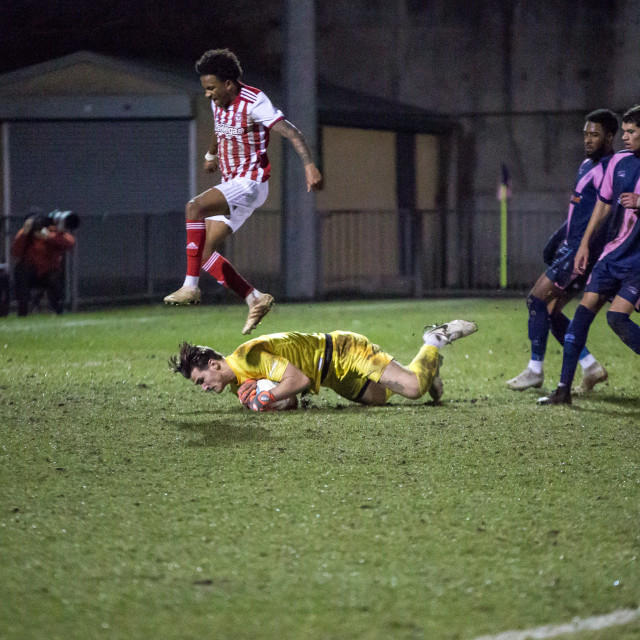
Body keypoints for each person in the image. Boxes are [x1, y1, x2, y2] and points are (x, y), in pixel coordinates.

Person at [164, 48, 324, 335]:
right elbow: (220, 127)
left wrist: (309, 165)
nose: (207, 95)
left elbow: (291, 132)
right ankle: (255, 299)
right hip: (232, 182)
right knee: (202, 253)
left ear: (229, 83)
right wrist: (211, 154)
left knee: (193, 207)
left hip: (249, 182)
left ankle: (190, 287)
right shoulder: (219, 100)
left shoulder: (255, 102)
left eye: (211, 88)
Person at [506, 109, 618, 393]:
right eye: (586, 134)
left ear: (610, 137)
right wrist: (558, 237)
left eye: (595, 135)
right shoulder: (586, 165)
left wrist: (586, 250)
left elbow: (603, 217)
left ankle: (535, 370)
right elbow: (579, 211)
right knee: (552, 310)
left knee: (536, 301)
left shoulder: (610, 169)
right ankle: (590, 366)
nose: (588, 140)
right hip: (570, 247)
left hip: (580, 253)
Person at [539, 105, 640, 405]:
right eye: (624, 131)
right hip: (612, 256)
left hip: (638, 262)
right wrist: (583, 245)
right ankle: (562, 390)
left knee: (617, 319)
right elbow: (603, 204)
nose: (625, 137)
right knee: (581, 315)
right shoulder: (619, 162)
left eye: (632, 132)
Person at [169, 320, 478, 410]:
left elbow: (298, 380)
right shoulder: (239, 384)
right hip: (331, 377)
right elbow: (289, 398)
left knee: (410, 389)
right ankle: (428, 371)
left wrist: (267, 398)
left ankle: (434, 339)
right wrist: (276, 402)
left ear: (214, 364)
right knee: (380, 399)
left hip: (343, 351)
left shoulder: (249, 357)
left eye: (201, 380)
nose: (205, 387)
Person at [11, 213, 76, 316]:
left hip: (49, 272)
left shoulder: (51, 231)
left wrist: (48, 237)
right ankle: (22, 311)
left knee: (54, 279)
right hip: (30, 272)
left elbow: (70, 243)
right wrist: (25, 234)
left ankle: (58, 310)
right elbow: (15, 252)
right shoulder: (24, 233)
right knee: (20, 271)